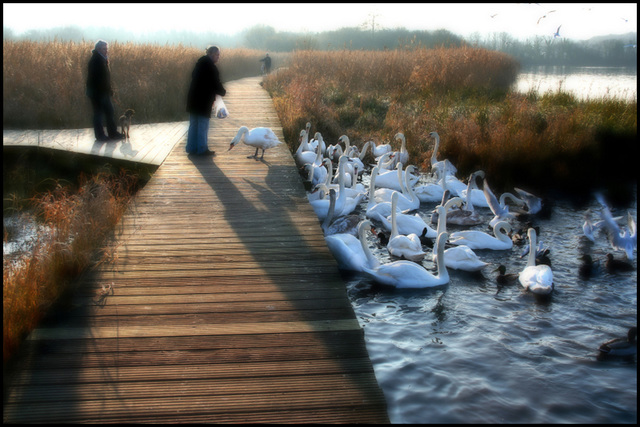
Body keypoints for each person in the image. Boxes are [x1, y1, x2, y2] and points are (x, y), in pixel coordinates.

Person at [186, 45, 226, 156]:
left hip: (193, 99)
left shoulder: (199, 64)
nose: (218, 57)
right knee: (203, 125)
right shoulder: (211, 67)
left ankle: (191, 148)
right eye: (217, 55)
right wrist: (222, 92)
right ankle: (202, 149)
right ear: (211, 54)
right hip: (203, 100)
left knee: (194, 124)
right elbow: (215, 83)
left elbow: (195, 77)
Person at [86, 40, 125, 142]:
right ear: (98, 49)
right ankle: (100, 136)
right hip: (96, 93)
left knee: (109, 112)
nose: (106, 51)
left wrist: (109, 89)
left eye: (107, 49)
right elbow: (96, 79)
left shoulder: (102, 59)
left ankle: (112, 133)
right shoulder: (96, 60)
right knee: (98, 114)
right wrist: (105, 90)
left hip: (103, 92)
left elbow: (105, 78)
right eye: (104, 49)